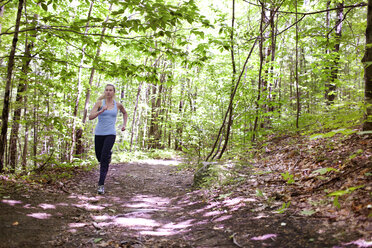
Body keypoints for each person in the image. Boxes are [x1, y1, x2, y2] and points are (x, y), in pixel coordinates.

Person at [89, 84, 128, 194]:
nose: (108, 92)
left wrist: (124, 125)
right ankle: (108, 155)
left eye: (111, 90)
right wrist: (100, 111)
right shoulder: (99, 103)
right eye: (106, 90)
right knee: (99, 157)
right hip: (99, 133)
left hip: (110, 134)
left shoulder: (118, 105)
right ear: (104, 92)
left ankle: (101, 185)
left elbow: (125, 113)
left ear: (114, 92)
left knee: (104, 159)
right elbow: (90, 117)